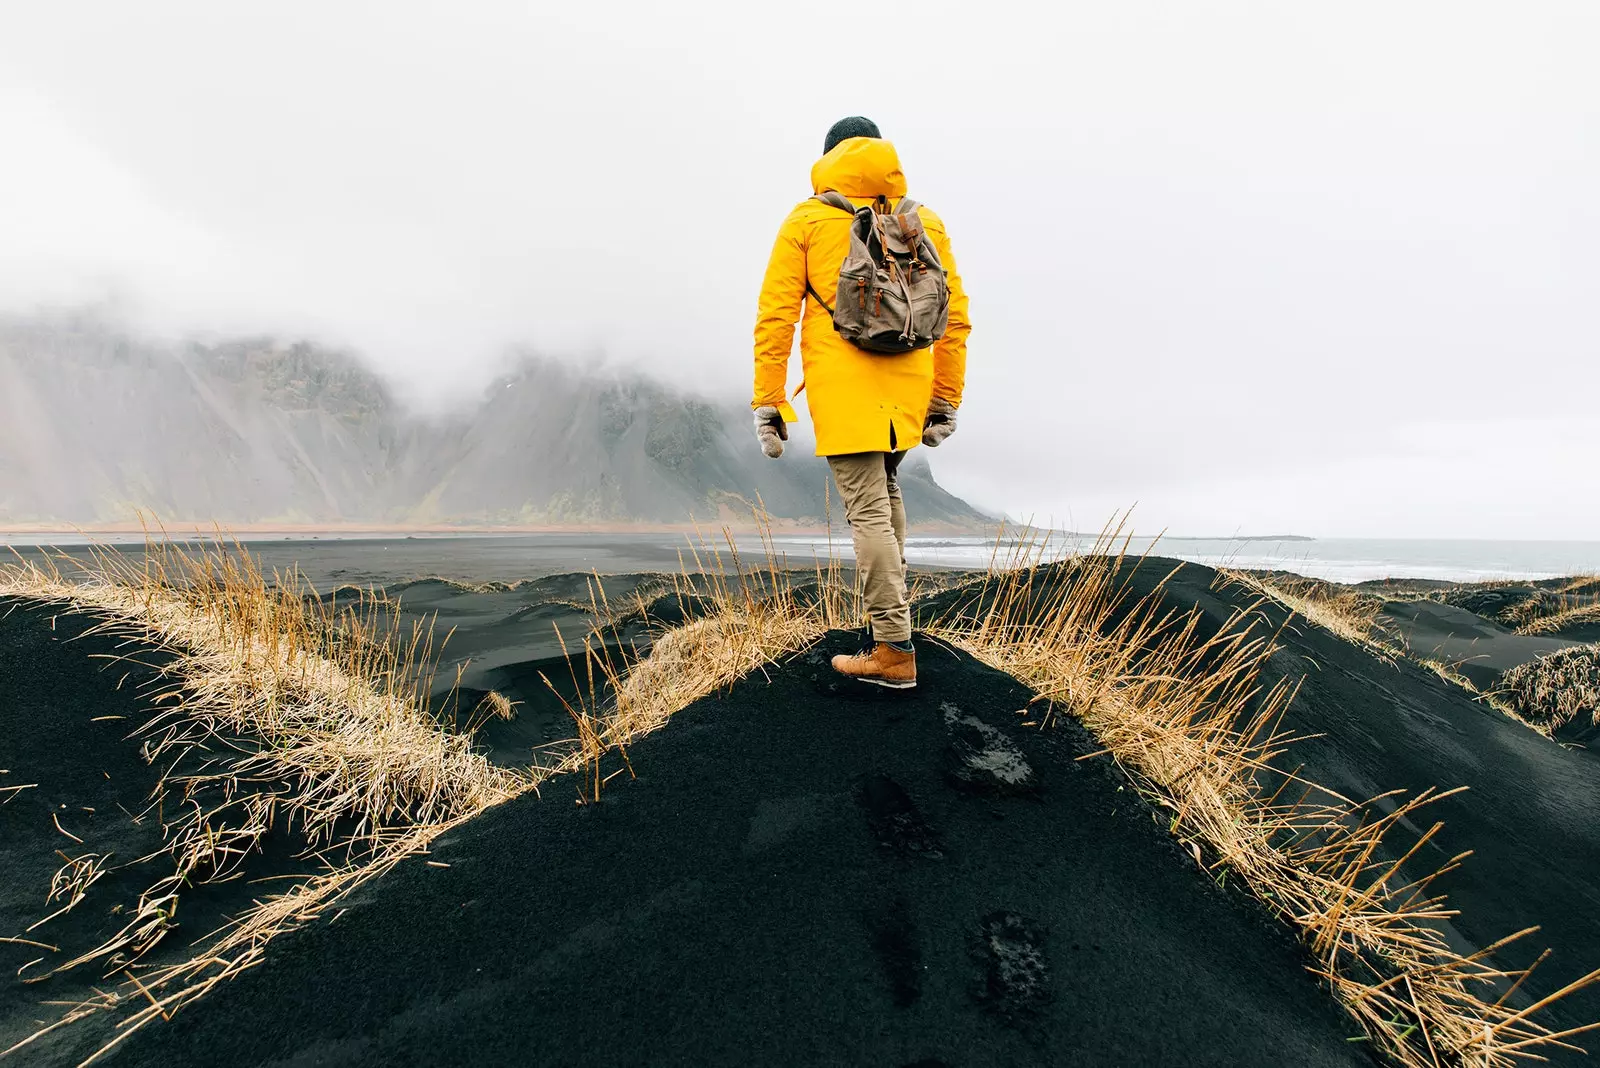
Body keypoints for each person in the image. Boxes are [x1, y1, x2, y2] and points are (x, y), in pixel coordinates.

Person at [751, 116, 971, 689]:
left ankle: (893, 652)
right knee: (887, 492)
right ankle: (892, 623)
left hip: (842, 386)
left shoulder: (807, 219)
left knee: (867, 509)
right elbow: (956, 319)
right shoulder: (925, 222)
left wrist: (769, 401)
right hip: (909, 382)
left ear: (830, 158)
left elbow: (776, 316)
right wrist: (946, 397)